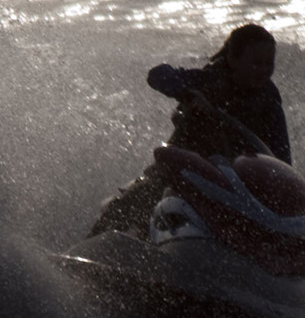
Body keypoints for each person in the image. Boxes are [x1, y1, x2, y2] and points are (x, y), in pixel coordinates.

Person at [89, 23, 290, 238]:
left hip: (237, 185)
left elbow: (283, 159)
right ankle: (85, 252)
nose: (263, 70)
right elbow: (158, 74)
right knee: (127, 206)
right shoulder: (208, 79)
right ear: (233, 60)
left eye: (268, 63)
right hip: (180, 171)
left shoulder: (269, 102)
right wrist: (187, 94)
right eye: (256, 63)